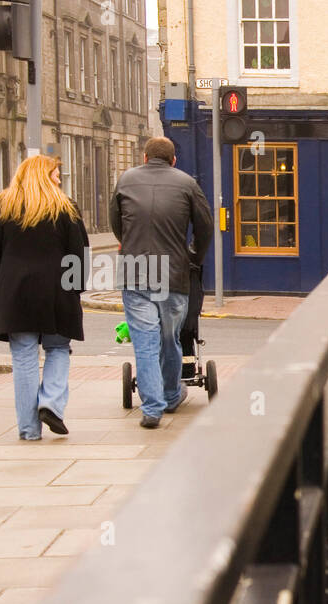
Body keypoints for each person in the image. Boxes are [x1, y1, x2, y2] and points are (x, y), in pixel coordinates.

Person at [0, 155, 89, 441]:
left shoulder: (4, 206)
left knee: (24, 357)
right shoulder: (65, 207)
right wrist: (76, 287)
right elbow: (78, 253)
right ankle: (51, 403)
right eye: (55, 174)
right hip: (57, 289)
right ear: (43, 175)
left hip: (15, 291)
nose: (59, 179)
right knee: (58, 349)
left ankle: (28, 429)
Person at [110, 136, 214, 428]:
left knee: (145, 342)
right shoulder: (187, 183)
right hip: (174, 274)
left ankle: (152, 408)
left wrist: (130, 245)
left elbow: (116, 224)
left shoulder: (125, 180)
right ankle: (169, 396)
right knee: (170, 339)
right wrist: (193, 256)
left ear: (144, 157)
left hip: (135, 272)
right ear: (173, 160)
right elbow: (205, 227)